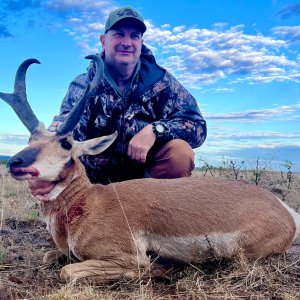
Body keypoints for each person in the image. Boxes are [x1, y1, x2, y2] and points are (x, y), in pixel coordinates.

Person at [29, 6, 207, 198]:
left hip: (146, 185)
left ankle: (156, 220)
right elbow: (67, 127)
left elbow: (197, 126)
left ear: (141, 42)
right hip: (94, 187)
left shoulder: (162, 82)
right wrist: (45, 148)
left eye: (134, 36)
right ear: (104, 41)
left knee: (179, 153)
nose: (127, 42)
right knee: (56, 161)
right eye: (119, 34)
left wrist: (156, 130)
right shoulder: (84, 84)